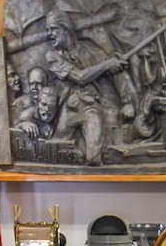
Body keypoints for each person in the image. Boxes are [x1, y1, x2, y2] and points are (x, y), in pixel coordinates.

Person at [43, 9, 134, 163]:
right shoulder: (52, 57)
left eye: (53, 29)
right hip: (67, 109)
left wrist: (127, 101)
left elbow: (115, 71)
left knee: (94, 159)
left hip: (90, 108)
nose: (49, 34)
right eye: (47, 29)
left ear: (66, 29)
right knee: (53, 153)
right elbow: (80, 77)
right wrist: (106, 65)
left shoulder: (88, 48)